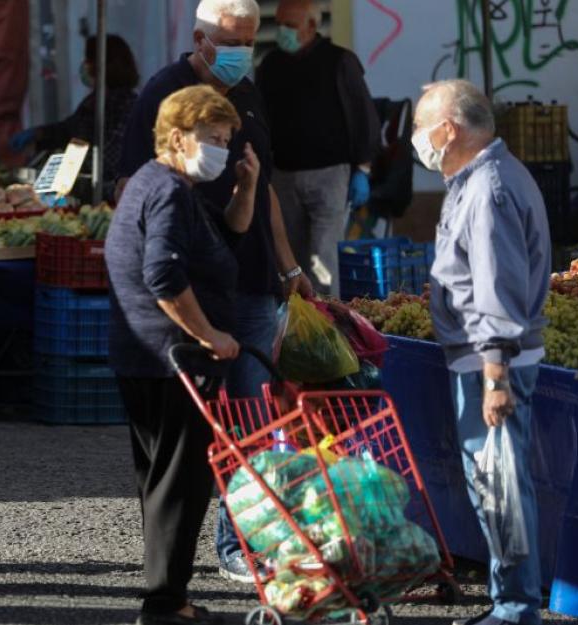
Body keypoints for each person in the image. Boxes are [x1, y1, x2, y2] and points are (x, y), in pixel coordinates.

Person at [116, 0, 312, 583]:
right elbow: (136, 209)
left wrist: (287, 266)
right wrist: (197, 324)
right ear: (199, 39)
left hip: (246, 284)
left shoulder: (248, 92)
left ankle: (237, 543)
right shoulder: (164, 98)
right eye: (230, 42)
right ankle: (177, 575)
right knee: (201, 437)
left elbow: (262, 189)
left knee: (250, 419)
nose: (240, 54)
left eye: (250, 41)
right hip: (191, 306)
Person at [106, 84, 257, 625]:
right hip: (170, 360)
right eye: (213, 138)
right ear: (176, 137)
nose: (222, 147)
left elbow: (228, 235)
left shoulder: (161, 185)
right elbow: (164, 276)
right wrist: (208, 334)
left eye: (226, 138)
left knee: (163, 481)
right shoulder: (167, 190)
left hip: (145, 355)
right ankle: (166, 603)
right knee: (181, 484)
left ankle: (168, 595)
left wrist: (248, 184)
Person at [415, 79, 549, 625]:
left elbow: (496, 287)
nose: (418, 140)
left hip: (489, 361)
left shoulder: (489, 187)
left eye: (423, 126)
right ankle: (508, 603)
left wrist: (494, 373)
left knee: (501, 490)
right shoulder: (480, 178)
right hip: (482, 357)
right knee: (496, 487)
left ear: (450, 129)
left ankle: (515, 609)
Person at [256, 0, 380, 298]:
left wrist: (362, 168)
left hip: (329, 176)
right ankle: (297, 325)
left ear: (312, 26)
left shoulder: (340, 61)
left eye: (290, 25)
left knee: (323, 258)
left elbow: (364, 115)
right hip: (284, 176)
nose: (282, 31)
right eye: (280, 24)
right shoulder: (270, 65)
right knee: (290, 260)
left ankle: (326, 324)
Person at [10, 33, 140, 184]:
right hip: (82, 188)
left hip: (111, 191)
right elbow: (69, 129)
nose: (84, 65)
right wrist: (38, 134)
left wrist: (63, 164)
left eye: (88, 61)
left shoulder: (125, 105)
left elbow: (107, 158)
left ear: (101, 65)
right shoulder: (93, 101)